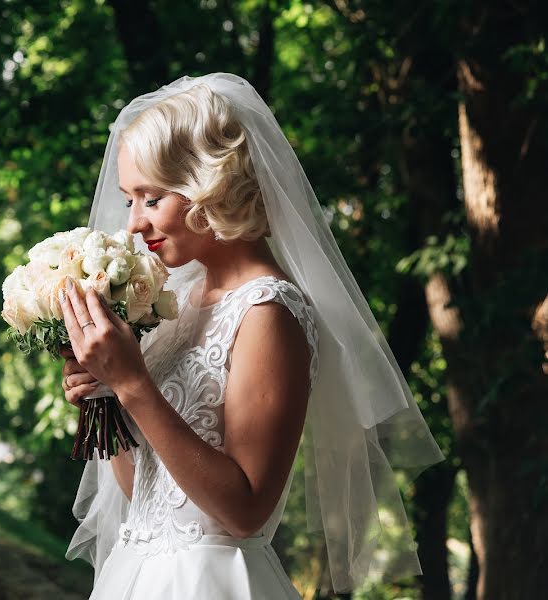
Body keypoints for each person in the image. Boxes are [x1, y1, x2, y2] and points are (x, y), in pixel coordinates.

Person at [57, 73, 444, 598]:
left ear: (207, 185)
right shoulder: (175, 308)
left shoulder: (268, 310)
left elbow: (245, 510)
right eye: (130, 199)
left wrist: (132, 385)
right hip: (138, 574)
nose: (132, 225)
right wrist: (104, 394)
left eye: (151, 199)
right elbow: (146, 492)